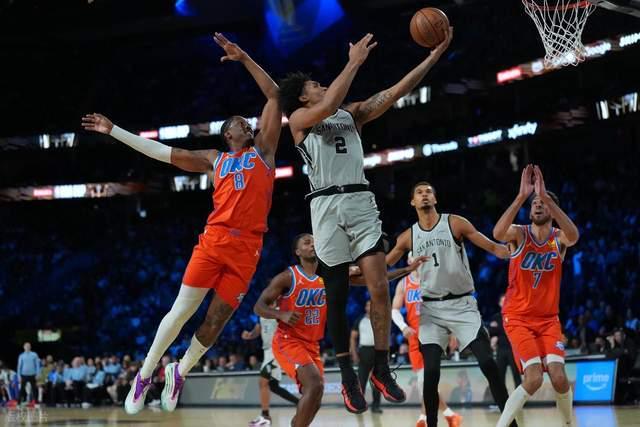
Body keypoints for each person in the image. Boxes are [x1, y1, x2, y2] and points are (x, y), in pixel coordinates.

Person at [82, 33, 282, 414]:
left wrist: (245, 58)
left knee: (216, 320)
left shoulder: (265, 151)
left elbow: (274, 96)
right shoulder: (214, 159)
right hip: (214, 240)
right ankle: (144, 375)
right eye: (240, 122)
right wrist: (115, 131)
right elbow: (162, 153)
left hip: (248, 248)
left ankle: (180, 370)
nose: (248, 123)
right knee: (180, 312)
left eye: (248, 121)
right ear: (228, 134)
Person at [278, 25, 453, 414]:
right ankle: (347, 376)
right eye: (315, 85)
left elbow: (395, 92)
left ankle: (382, 368)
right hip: (325, 205)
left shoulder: (353, 113)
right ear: (302, 97)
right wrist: (354, 62)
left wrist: (432, 58)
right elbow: (327, 106)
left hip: (359, 200)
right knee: (337, 295)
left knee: (379, 287)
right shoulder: (301, 118)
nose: (323, 86)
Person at [254, 233, 425, 426]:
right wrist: (281, 314)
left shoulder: (331, 274)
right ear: (297, 251)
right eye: (307, 243)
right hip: (288, 340)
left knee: (316, 395)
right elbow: (259, 306)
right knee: (314, 385)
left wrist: (408, 270)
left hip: (312, 344)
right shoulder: (288, 277)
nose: (312, 245)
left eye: (314, 241)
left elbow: (376, 279)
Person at [386, 182, 515, 427]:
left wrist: (511, 251)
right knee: (431, 374)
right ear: (413, 202)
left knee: (488, 363)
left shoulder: (455, 223)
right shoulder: (407, 237)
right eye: (419, 193)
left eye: (429, 191)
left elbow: (491, 246)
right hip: (431, 310)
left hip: (462, 304)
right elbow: (382, 267)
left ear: (435, 199)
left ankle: (511, 423)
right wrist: (357, 270)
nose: (425, 195)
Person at [493, 165, 580, 427]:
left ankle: (568, 424)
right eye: (535, 203)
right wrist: (522, 196)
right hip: (518, 318)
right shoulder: (518, 233)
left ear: (553, 209)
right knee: (533, 379)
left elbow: (574, 236)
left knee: (559, 378)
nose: (538, 205)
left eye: (544, 202)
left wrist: (548, 198)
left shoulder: (559, 238)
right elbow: (497, 234)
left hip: (548, 320)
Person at [391, 253, 462, 427]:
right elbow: (394, 310)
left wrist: (452, 332)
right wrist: (403, 327)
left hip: (433, 334)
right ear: (409, 261)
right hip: (414, 338)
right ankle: (446, 415)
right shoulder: (403, 283)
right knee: (425, 381)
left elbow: (446, 308)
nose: (418, 259)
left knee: (426, 380)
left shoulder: (434, 280)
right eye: (413, 256)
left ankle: (428, 418)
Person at [242, 306, 300, 426]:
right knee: (273, 386)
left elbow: (290, 327)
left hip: (276, 350)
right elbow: (258, 329)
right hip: (267, 351)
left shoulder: (280, 310)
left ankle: (265, 416)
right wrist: (250, 335)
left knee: (262, 381)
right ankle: (301, 404)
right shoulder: (262, 311)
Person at [350, 300, 382, 413]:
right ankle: (360, 405)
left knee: (377, 382)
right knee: (361, 381)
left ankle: (376, 406)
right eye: (368, 305)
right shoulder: (360, 320)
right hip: (364, 352)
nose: (370, 307)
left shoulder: (379, 320)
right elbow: (353, 338)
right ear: (365, 307)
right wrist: (354, 354)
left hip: (377, 351)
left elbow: (384, 338)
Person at [489, 295, 522, 391]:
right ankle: (502, 398)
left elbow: (515, 330)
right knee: (500, 375)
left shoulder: (514, 316)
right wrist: (503, 330)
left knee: (516, 375)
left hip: (513, 350)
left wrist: (498, 329)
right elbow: (491, 331)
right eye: (503, 302)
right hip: (501, 350)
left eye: (506, 302)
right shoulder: (496, 317)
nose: (505, 304)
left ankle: (519, 398)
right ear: (499, 304)